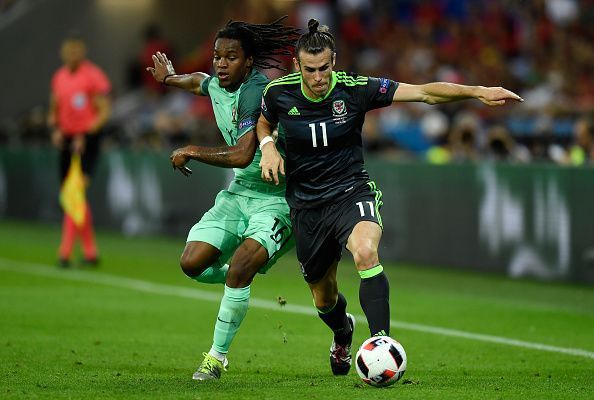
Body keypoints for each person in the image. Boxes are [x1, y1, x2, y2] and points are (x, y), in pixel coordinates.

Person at [257, 19, 523, 376]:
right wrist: (268, 146)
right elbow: (264, 122)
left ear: (334, 62)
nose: (318, 77)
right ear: (297, 66)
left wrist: (477, 91)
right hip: (307, 205)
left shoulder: (356, 89)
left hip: (351, 191)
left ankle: (381, 344)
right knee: (324, 297)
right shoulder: (278, 93)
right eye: (310, 70)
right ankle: (342, 331)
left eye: (324, 68)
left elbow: (425, 92)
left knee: (366, 252)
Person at [146, 17, 299, 381]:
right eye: (217, 56)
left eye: (231, 57)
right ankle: (237, 281)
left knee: (248, 267)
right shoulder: (219, 82)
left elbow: (244, 154)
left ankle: (215, 358)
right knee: (192, 263)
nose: (221, 63)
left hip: (278, 198)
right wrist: (169, 78)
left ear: (248, 62)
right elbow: (201, 82)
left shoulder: (257, 92)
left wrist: (191, 150)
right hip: (239, 194)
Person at [47, 33, 111, 268]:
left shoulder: (92, 76)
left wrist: (86, 134)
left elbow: (104, 111)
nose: (72, 56)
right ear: (63, 54)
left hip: (87, 140)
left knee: (74, 192)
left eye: (76, 51)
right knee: (72, 195)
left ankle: (64, 253)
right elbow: (54, 107)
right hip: (66, 138)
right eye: (69, 51)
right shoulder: (60, 77)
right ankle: (90, 251)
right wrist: (54, 128)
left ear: (82, 53)